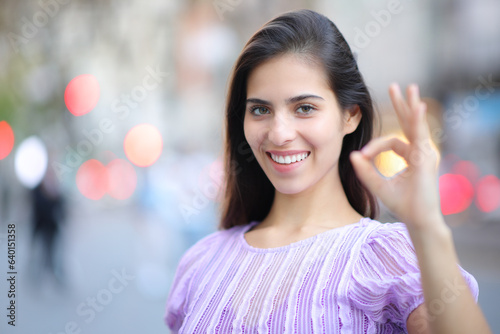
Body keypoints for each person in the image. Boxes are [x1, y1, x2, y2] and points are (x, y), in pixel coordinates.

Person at [164, 9, 492, 333]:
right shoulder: (203, 261)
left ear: (350, 115)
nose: (278, 133)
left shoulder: (386, 257)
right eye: (260, 110)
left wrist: (426, 224)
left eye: (304, 108)